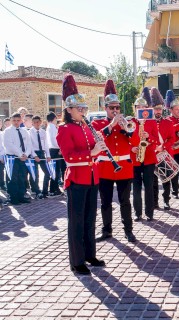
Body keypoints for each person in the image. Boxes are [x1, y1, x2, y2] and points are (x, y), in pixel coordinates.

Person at [56, 74, 106, 275]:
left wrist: (100, 146)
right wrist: (92, 152)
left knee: (90, 219)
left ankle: (89, 254)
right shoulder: (64, 129)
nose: (83, 112)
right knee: (76, 221)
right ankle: (76, 261)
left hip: (92, 177)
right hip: (77, 179)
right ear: (69, 110)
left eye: (84, 108)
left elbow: (95, 151)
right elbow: (69, 158)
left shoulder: (86, 126)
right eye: (80, 109)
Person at [92, 80, 139, 243]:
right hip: (105, 167)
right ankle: (106, 230)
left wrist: (126, 129)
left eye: (117, 107)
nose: (115, 110)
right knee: (105, 202)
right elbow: (97, 138)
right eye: (111, 108)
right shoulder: (98, 123)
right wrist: (112, 124)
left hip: (124, 167)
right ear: (105, 108)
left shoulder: (127, 124)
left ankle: (129, 231)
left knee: (125, 201)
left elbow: (135, 142)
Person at [131, 88, 160, 221]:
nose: (141, 109)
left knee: (148, 186)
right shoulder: (130, 122)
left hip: (148, 157)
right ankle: (137, 213)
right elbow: (127, 139)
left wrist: (149, 137)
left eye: (144, 107)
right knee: (136, 187)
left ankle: (149, 213)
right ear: (135, 108)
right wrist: (132, 148)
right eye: (139, 107)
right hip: (135, 158)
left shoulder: (152, 121)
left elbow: (157, 140)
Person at [151, 87, 175, 210]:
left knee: (166, 181)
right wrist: (154, 147)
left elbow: (172, 139)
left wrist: (163, 146)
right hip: (152, 156)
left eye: (160, 108)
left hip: (165, 154)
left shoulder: (168, 122)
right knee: (153, 181)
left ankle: (166, 200)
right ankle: (155, 202)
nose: (158, 111)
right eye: (155, 109)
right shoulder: (147, 123)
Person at [3, 113, 31, 205]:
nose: (16, 122)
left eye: (18, 120)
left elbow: (28, 144)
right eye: (14, 120)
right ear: (11, 120)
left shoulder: (24, 131)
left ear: (21, 121)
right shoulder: (7, 131)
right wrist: (20, 154)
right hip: (12, 157)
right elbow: (9, 145)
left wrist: (26, 154)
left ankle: (21, 196)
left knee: (22, 177)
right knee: (12, 178)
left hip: (23, 158)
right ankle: (13, 197)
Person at [28, 115, 51, 199]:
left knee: (47, 173)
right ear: (32, 123)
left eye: (38, 122)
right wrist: (35, 156)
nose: (36, 124)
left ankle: (45, 191)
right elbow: (29, 146)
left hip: (42, 153)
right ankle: (37, 191)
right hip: (34, 154)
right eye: (34, 122)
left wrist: (48, 155)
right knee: (35, 174)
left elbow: (46, 144)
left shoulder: (43, 132)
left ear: (41, 122)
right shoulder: (29, 132)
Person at [46, 111, 64, 197]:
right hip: (54, 150)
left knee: (56, 171)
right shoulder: (52, 127)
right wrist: (60, 148)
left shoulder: (50, 127)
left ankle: (54, 188)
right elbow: (55, 139)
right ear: (54, 119)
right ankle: (54, 189)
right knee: (56, 171)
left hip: (53, 149)